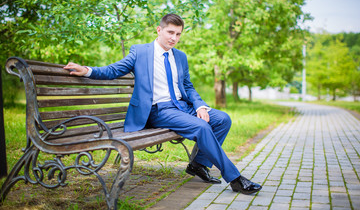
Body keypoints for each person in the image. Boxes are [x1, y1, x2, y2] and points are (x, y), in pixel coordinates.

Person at [64, 13, 262, 194]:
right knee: (202, 127)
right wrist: (88, 70)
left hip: (183, 107)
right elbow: (113, 70)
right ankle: (235, 179)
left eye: (178, 34)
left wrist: (200, 105)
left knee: (222, 119)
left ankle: (198, 165)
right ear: (159, 30)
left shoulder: (180, 56)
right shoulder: (140, 52)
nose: (174, 38)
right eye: (170, 32)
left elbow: (188, 86)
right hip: (159, 110)